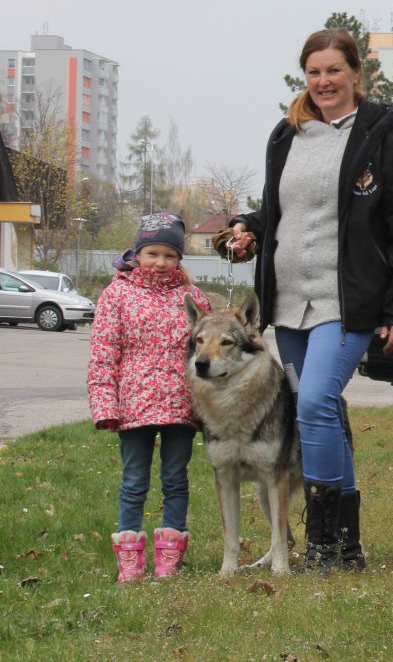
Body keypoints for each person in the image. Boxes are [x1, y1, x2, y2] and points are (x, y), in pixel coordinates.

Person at [225, 28, 393, 573]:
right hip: (288, 303)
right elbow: (277, 213)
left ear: (356, 73)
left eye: (334, 70)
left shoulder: (384, 135)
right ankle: (348, 546)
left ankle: (319, 543)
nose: (323, 82)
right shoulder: (285, 135)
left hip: (348, 300)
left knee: (314, 402)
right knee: (325, 413)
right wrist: (247, 228)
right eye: (314, 72)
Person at [88, 211, 212, 582]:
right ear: (138, 254)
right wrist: (105, 405)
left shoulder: (192, 298)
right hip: (133, 406)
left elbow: (209, 352)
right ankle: (129, 558)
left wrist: (209, 407)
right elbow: (103, 354)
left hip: (181, 405)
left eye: (169, 256)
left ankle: (170, 557)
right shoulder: (117, 295)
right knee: (134, 481)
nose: (160, 263)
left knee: (175, 478)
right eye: (153, 254)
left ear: (179, 259)